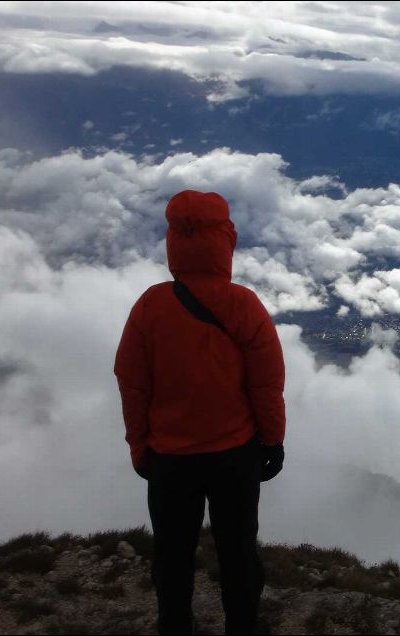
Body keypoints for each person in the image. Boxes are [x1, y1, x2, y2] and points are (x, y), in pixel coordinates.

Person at [114, 190, 286, 635]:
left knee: (172, 555)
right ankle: (242, 627)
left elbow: (133, 384)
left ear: (173, 240)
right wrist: (273, 441)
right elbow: (266, 385)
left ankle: (174, 626)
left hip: (170, 458)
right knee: (238, 553)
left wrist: (139, 447)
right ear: (225, 239)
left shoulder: (151, 306)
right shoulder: (243, 305)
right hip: (236, 453)